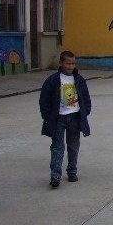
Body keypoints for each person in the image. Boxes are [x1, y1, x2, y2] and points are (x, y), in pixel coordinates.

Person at [39, 51, 92, 188]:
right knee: (57, 147)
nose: (70, 66)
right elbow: (44, 101)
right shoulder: (52, 81)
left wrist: (85, 112)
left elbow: (86, 98)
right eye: (68, 63)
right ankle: (55, 176)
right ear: (61, 63)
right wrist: (48, 116)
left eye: (73, 63)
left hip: (74, 117)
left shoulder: (79, 80)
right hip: (58, 119)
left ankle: (72, 172)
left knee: (73, 146)